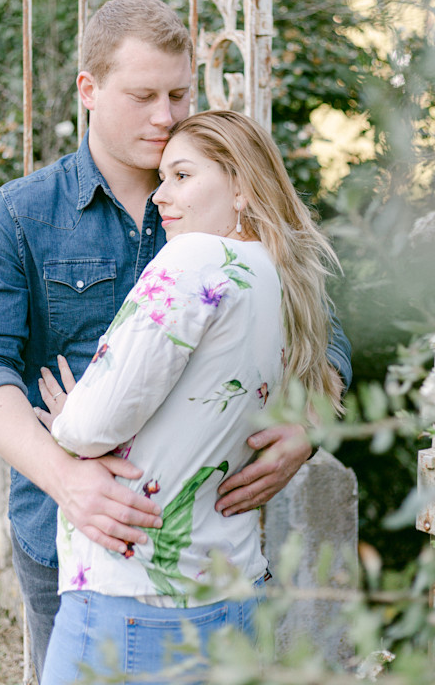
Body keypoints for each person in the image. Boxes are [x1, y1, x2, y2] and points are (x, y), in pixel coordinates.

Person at [0, 0, 351, 681]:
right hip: (70, 543)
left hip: (215, 549)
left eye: (178, 93)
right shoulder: (19, 215)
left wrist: (311, 420)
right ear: (89, 90)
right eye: (143, 95)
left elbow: (322, 326)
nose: (166, 117)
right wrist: (67, 478)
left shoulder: (225, 194)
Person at [35, 109, 344, 685]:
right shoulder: (281, 278)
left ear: (242, 187)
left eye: (181, 176)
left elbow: (88, 427)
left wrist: (67, 416)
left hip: (138, 599)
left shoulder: (193, 260)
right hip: (231, 592)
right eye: (162, 179)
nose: (159, 196)